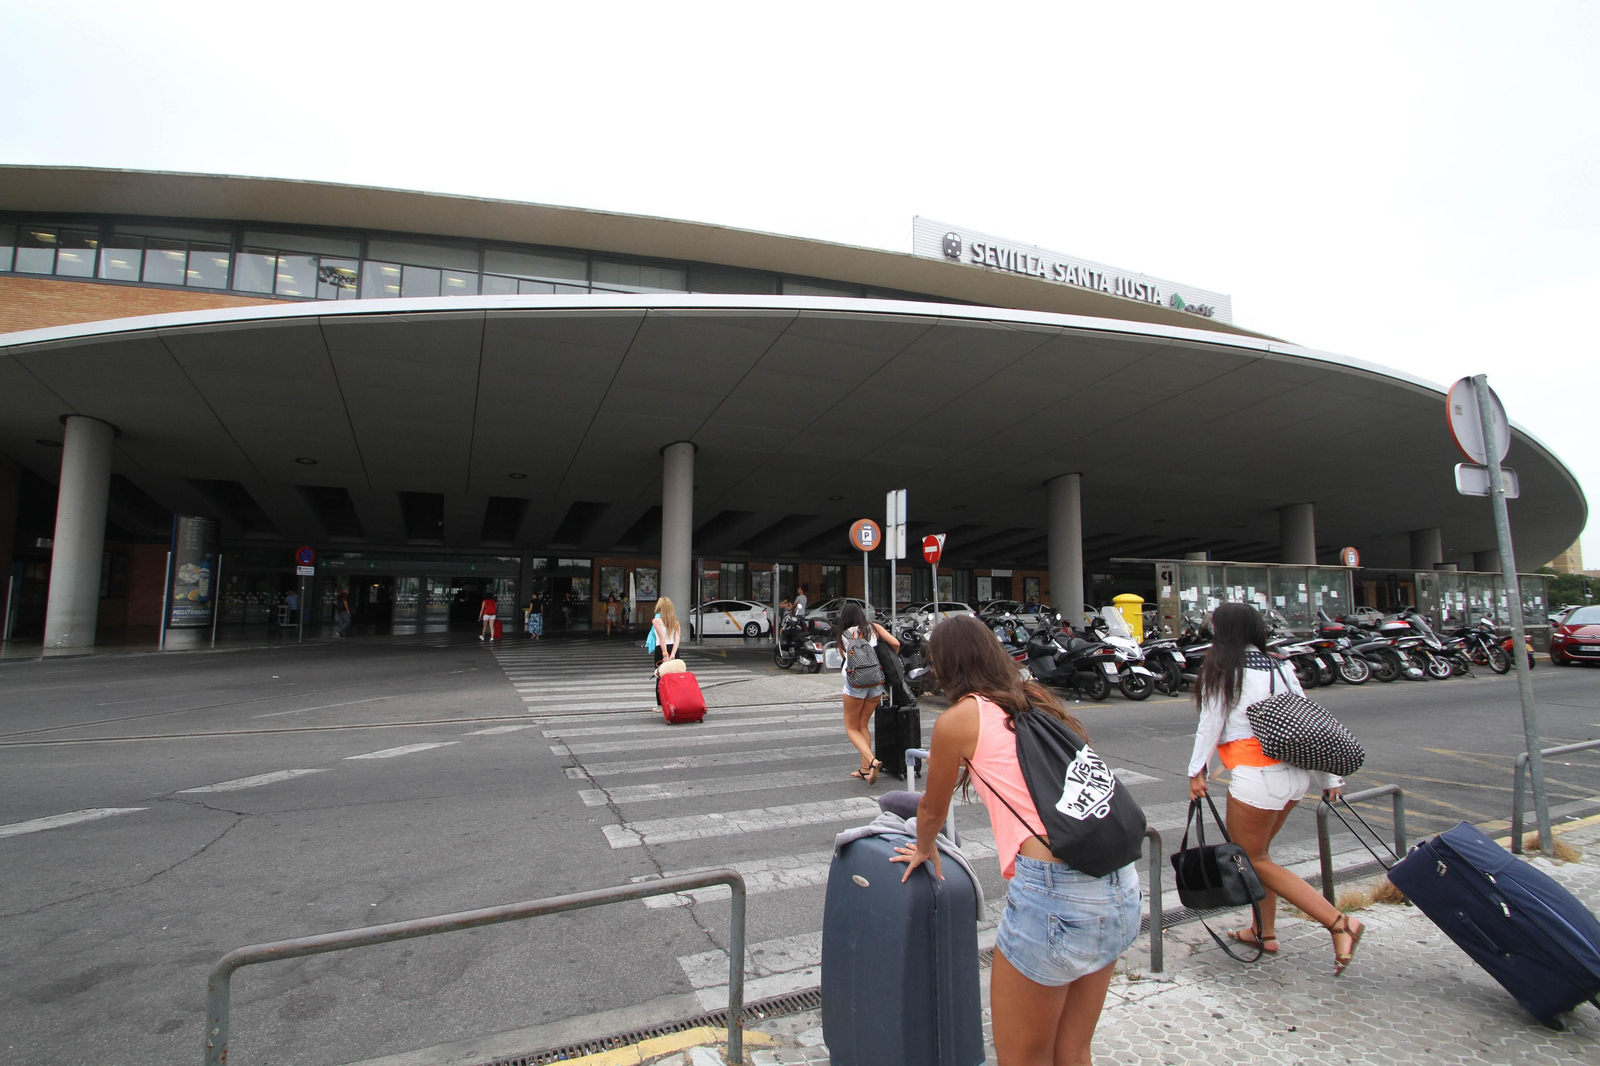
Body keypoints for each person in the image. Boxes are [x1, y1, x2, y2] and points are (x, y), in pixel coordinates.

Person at [892, 615, 1139, 1065]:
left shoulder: (961, 719)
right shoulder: (1035, 699)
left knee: (1022, 1058)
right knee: (1073, 1051)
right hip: (1119, 883)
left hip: (1056, 895)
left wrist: (925, 848)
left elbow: (931, 809)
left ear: (946, 665)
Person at [1187, 602, 1363, 973]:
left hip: (1258, 777)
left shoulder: (1223, 668)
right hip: (1295, 776)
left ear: (1225, 631)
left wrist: (1196, 773)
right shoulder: (1280, 665)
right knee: (1259, 856)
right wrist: (1330, 778)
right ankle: (1263, 932)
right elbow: (1309, 725)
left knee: (1253, 859)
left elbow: (1210, 724)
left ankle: (1339, 923)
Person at [835, 602, 899, 783]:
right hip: (876, 681)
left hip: (856, 684)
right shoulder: (873, 628)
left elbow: (845, 660)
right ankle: (864, 770)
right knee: (863, 725)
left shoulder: (843, 635)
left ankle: (872, 761)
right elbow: (895, 643)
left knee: (851, 727)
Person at [651, 597, 682, 713]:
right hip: (674, 649)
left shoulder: (656, 621)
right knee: (674, 677)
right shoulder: (675, 621)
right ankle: (675, 702)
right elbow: (677, 638)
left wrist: (665, 655)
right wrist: (673, 653)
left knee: (660, 677)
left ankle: (660, 705)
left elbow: (662, 638)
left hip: (661, 650)